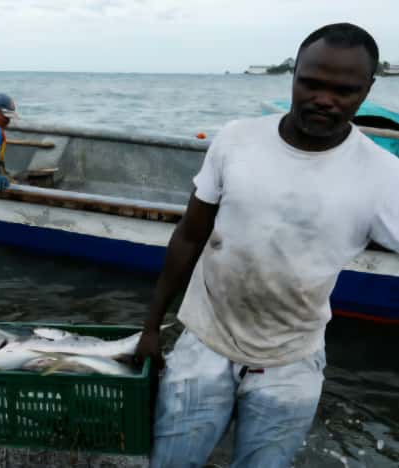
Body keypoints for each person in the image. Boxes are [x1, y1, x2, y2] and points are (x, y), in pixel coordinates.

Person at [134, 23, 399, 467]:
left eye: (344, 91)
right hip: (205, 340)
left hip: (292, 357)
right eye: (311, 83)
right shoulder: (237, 139)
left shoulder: (383, 176)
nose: (325, 100)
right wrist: (150, 326)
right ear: (294, 74)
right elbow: (190, 234)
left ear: (368, 89)